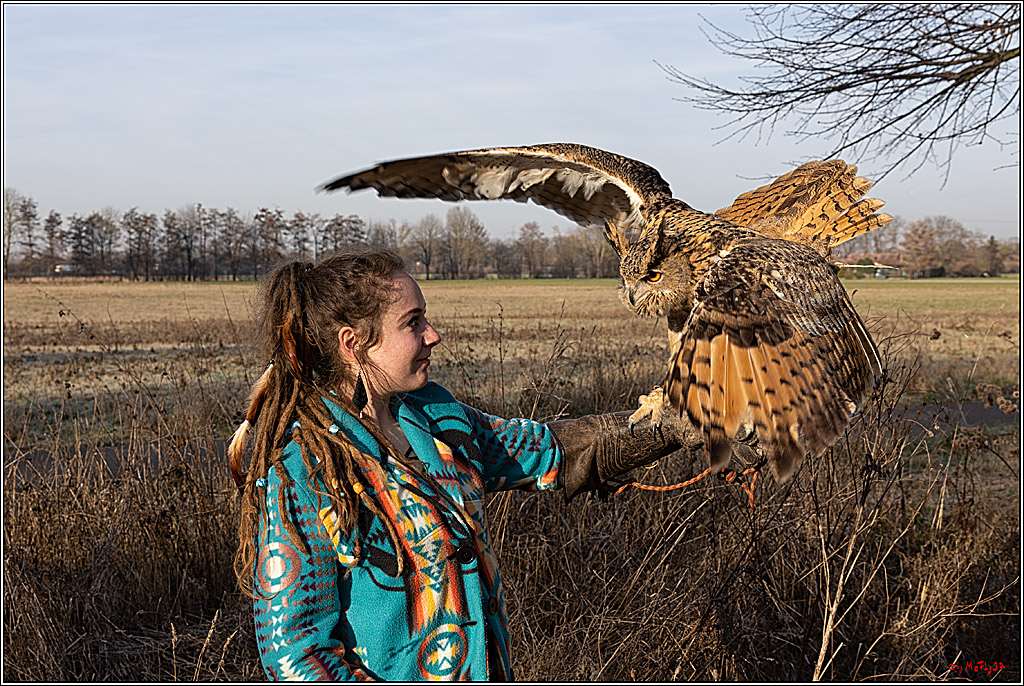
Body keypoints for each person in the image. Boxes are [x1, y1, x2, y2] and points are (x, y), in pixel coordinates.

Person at [230, 247, 703, 681]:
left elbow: (551, 449)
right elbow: (294, 653)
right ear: (354, 344)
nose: (433, 335)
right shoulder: (304, 469)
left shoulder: (437, 417)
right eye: (412, 322)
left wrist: (689, 423)